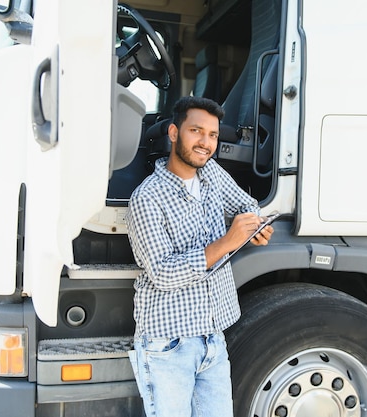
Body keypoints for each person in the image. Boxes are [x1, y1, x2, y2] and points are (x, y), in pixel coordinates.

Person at [125, 96, 274, 417]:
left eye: (213, 135)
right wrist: (228, 241)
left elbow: (247, 205)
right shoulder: (146, 198)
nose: (206, 143)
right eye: (196, 131)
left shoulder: (212, 175)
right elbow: (163, 272)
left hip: (212, 337)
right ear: (175, 133)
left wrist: (254, 226)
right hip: (168, 344)